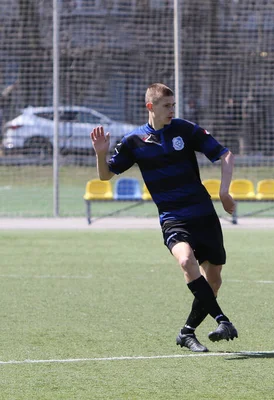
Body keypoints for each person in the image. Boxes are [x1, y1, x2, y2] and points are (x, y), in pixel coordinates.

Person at [90, 83, 238, 352]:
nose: (172, 110)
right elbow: (105, 175)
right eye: (167, 106)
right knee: (185, 260)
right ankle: (222, 319)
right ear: (151, 107)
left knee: (213, 280)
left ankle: (187, 332)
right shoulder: (134, 142)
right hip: (173, 217)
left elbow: (225, 155)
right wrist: (101, 153)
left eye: (173, 105)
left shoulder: (184, 130)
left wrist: (224, 192)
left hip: (204, 214)